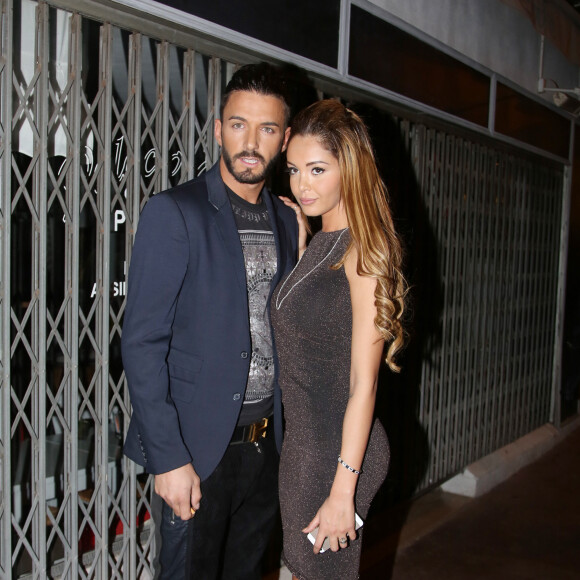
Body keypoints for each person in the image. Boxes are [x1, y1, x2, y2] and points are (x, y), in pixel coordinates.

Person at [122, 62, 299, 579]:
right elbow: (141, 342)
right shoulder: (175, 213)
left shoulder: (289, 219)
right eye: (238, 124)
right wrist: (168, 458)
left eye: (267, 128)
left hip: (267, 448)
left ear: (284, 139)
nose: (250, 141)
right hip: (197, 451)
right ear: (219, 128)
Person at [271, 99, 407, 579]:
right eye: (293, 170)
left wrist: (342, 492)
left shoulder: (364, 251)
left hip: (336, 453)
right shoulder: (324, 242)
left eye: (317, 169)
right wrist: (305, 243)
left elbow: (363, 385)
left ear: (348, 167)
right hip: (306, 447)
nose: (302, 184)